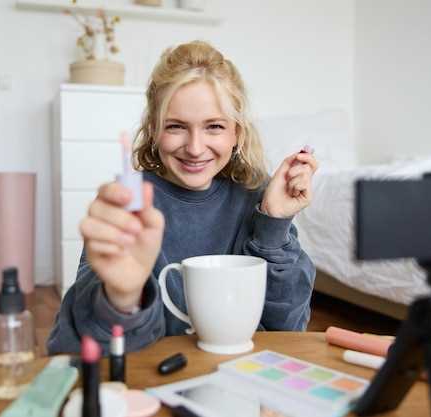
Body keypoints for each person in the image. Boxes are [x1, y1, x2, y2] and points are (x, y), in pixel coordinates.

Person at [47, 40, 318, 354]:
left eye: (214, 127)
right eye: (176, 127)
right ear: (153, 130)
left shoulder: (255, 198)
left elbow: (287, 330)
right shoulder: (132, 202)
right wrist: (122, 297)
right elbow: (74, 344)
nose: (194, 147)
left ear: (237, 134)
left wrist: (274, 223)